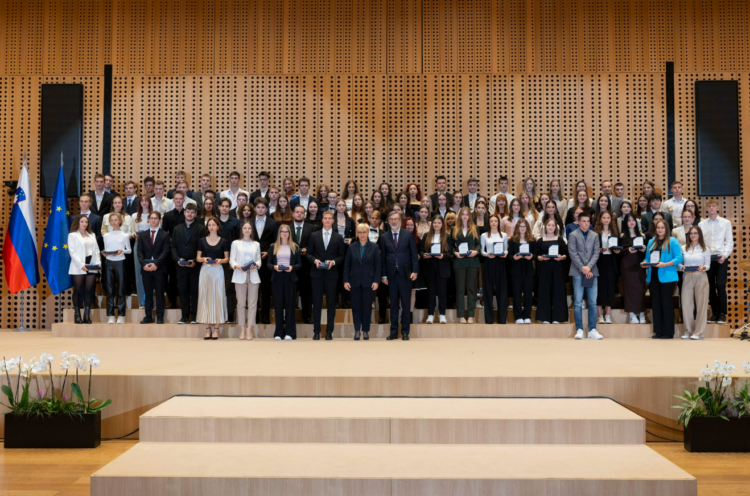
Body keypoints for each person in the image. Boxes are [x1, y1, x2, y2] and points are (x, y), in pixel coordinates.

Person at [307, 211, 346, 340]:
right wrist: (315, 261)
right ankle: (316, 332)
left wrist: (333, 262)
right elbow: (308, 254)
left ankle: (329, 332)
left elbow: (342, 256)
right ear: (322, 220)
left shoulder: (338, 237)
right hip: (316, 274)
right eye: (326, 218)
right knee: (316, 304)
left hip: (332, 274)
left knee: (331, 305)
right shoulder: (314, 235)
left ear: (333, 220)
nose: (328, 220)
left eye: (330, 218)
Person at [380, 211, 419, 339]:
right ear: (388, 221)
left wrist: (415, 271)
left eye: (396, 219)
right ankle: (393, 332)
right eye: (391, 219)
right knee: (394, 305)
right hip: (391, 275)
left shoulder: (407, 234)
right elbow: (383, 257)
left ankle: (405, 332)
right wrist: (384, 275)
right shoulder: (384, 237)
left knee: (406, 304)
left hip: (405, 274)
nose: (393, 221)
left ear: (400, 220)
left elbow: (414, 254)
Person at [642, 220, 683, 339]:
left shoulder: (673, 241)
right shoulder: (651, 241)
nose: (660, 230)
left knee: (666, 303)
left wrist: (665, 264)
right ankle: (658, 331)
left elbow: (679, 258)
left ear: (666, 229)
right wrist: (645, 262)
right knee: (656, 304)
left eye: (662, 228)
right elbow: (647, 257)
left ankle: (668, 332)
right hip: (653, 276)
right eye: (658, 227)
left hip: (668, 276)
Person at [344, 223, 382, 340]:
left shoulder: (374, 247)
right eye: (359, 232)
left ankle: (365, 330)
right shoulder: (351, 247)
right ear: (357, 233)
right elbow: (347, 265)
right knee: (356, 307)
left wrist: (376, 281)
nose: (362, 234)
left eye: (364, 232)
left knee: (367, 307)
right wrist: (345, 280)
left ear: (368, 233)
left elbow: (378, 266)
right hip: (354, 281)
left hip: (369, 282)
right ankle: (357, 330)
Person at [170, 203, 206, 325]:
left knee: (195, 291)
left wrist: (195, 261)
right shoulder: (177, 229)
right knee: (183, 291)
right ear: (184, 213)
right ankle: (184, 316)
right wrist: (177, 259)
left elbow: (203, 247)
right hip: (180, 266)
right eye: (188, 211)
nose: (190, 214)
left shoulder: (201, 228)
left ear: (195, 214)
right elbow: (173, 246)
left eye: (192, 212)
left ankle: (195, 316)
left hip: (195, 266)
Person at [568, 213, 602, 339]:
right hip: (578, 271)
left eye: (588, 221)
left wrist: (589, 267)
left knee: (593, 302)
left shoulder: (595, 235)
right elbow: (573, 252)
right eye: (584, 221)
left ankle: (593, 329)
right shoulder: (573, 235)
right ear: (578, 222)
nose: (586, 223)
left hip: (592, 271)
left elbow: (596, 253)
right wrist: (582, 267)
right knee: (578, 302)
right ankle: (579, 329)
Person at [699, 199, 733, 324]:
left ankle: (722, 313)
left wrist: (724, 256)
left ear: (717, 208)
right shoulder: (702, 225)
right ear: (706, 209)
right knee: (710, 287)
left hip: (721, 257)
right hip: (708, 258)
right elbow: (701, 243)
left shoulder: (726, 223)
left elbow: (729, 241)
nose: (712, 208)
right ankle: (715, 312)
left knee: (720, 285)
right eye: (709, 206)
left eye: (714, 206)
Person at [196, 217, 230, 339]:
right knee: (205, 297)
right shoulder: (202, 241)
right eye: (209, 225)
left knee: (218, 297)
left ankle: (216, 328)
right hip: (205, 270)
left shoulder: (224, 241)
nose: (211, 227)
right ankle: (207, 328)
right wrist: (203, 259)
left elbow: (227, 259)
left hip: (217, 271)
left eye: (213, 225)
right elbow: (198, 258)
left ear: (218, 227)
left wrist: (220, 260)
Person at [267, 224, 302, 340]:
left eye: (287, 231)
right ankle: (278, 333)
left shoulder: (295, 247)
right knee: (278, 305)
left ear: (290, 233)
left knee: (290, 305)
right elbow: (268, 264)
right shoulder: (273, 247)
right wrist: (275, 267)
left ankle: (290, 333)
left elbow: (299, 264)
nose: (285, 234)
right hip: (277, 277)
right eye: (282, 231)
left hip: (290, 278)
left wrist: (292, 267)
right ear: (279, 233)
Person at [137, 211, 170, 325]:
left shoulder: (165, 234)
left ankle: (160, 317)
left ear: (159, 220)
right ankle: (148, 316)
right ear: (148, 220)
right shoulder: (142, 235)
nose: (154, 220)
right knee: (148, 293)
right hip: (146, 268)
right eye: (152, 218)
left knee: (160, 293)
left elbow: (165, 251)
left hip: (159, 268)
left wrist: (156, 263)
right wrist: (143, 264)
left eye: (156, 218)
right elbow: (139, 251)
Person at [230, 221, 261, 340]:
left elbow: (259, 260)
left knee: (252, 304)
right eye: (245, 228)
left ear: (252, 230)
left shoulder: (256, 244)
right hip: (239, 275)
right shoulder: (236, 243)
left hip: (253, 275)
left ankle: (250, 329)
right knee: (241, 304)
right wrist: (238, 267)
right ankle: (242, 328)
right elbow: (232, 260)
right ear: (242, 230)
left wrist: (256, 265)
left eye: (249, 228)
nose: (247, 230)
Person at [68, 214, 101, 324]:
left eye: (86, 222)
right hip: (79, 266)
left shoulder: (92, 235)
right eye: (82, 222)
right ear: (78, 223)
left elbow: (96, 250)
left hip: (91, 266)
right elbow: (72, 252)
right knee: (78, 290)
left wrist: (98, 263)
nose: (84, 224)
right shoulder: (72, 235)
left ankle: (87, 315)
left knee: (89, 290)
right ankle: (77, 314)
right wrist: (81, 264)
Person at [680, 225, 711, 340]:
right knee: (686, 304)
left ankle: (699, 332)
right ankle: (688, 330)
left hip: (701, 277)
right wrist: (682, 267)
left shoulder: (705, 249)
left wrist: (703, 267)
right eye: (691, 233)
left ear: (699, 235)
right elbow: (679, 262)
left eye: (695, 233)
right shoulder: (683, 248)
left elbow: (708, 265)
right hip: (687, 276)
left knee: (701, 305)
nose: (693, 235)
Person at [535, 217, 568, 324]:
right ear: (545, 227)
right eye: (549, 225)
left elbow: (566, 255)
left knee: (558, 291)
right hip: (544, 268)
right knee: (544, 291)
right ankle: (545, 317)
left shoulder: (560, 240)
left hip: (557, 268)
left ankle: (557, 317)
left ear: (556, 227)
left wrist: (561, 257)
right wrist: (541, 258)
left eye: (553, 225)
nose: (550, 227)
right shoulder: (540, 240)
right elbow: (537, 256)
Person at [450, 207, 480, 324]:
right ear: (460, 216)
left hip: (472, 261)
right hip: (459, 262)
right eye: (463, 214)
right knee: (460, 289)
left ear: (470, 216)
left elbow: (478, 244)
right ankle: (461, 315)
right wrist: (455, 253)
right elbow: (451, 246)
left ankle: (471, 315)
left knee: (471, 289)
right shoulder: (454, 229)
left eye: (467, 214)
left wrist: (476, 251)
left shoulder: (475, 228)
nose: (465, 216)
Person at [420, 215, 452, 324]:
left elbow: (451, 254)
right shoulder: (426, 236)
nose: (436, 225)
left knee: (442, 292)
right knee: (431, 293)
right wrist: (424, 255)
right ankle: (430, 315)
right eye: (434, 223)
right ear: (431, 224)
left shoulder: (447, 237)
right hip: (429, 268)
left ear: (442, 224)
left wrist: (443, 256)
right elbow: (421, 250)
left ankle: (442, 314)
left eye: (438, 223)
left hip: (442, 267)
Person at [250, 198, 277, 324]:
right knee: (253, 290)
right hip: (252, 262)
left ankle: (265, 315)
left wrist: (269, 252)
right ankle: (254, 316)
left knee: (266, 290)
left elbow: (276, 242)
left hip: (266, 261)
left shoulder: (273, 223)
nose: (260, 209)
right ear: (255, 209)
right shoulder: (248, 223)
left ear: (266, 209)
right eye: (258, 207)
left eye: (263, 207)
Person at [102, 213, 131, 324]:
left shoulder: (124, 235)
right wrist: (105, 253)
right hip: (109, 262)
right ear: (109, 222)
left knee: (120, 289)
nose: (114, 222)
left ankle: (121, 315)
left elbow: (129, 250)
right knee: (109, 290)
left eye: (116, 220)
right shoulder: (106, 236)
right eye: (112, 220)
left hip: (120, 262)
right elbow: (106, 249)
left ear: (120, 221)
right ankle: (110, 315)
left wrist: (121, 250)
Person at [619, 213, 647, 324]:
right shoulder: (622, 236)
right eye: (629, 220)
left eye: (633, 220)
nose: (631, 222)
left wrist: (644, 250)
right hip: (627, 265)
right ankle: (632, 314)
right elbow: (618, 251)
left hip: (639, 264)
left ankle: (642, 313)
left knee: (641, 289)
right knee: (629, 290)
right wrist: (627, 250)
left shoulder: (642, 236)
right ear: (625, 222)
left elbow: (647, 253)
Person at [480, 214, 508, 324]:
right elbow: (481, 250)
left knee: (502, 291)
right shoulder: (484, 235)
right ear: (489, 223)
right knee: (488, 291)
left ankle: (502, 319)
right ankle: (489, 319)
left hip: (500, 262)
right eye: (491, 221)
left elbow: (506, 250)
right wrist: (487, 254)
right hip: (489, 262)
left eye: (495, 221)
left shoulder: (504, 235)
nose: (493, 223)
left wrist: (505, 254)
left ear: (498, 222)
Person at [594, 211, 619, 324]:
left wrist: (617, 251)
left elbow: (618, 247)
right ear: (600, 219)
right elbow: (592, 248)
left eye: (608, 217)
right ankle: (600, 315)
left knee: (610, 288)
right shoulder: (595, 233)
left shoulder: (614, 232)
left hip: (611, 261)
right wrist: (599, 250)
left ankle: (607, 315)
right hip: (599, 261)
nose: (606, 220)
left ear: (611, 219)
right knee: (600, 288)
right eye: (604, 217)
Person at [292, 205, 316, 324]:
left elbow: (315, 245)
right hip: (291, 266)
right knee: (290, 294)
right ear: (293, 214)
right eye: (297, 212)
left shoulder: (312, 228)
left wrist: (307, 249)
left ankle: (307, 317)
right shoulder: (287, 228)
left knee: (306, 293)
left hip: (307, 266)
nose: (299, 214)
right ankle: (289, 317)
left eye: (301, 212)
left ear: (304, 214)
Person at [508, 219, 535, 324]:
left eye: (524, 227)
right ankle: (518, 316)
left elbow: (536, 254)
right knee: (517, 294)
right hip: (516, 270)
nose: (522, 229)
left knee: (528, 294)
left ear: (527, 228)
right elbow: (509, 256)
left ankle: (527, 315)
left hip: (528, 270)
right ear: (517, 228)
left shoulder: (532, 240)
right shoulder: (512, 241)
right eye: (520, 227)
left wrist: (532, 256)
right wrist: (514, 257)